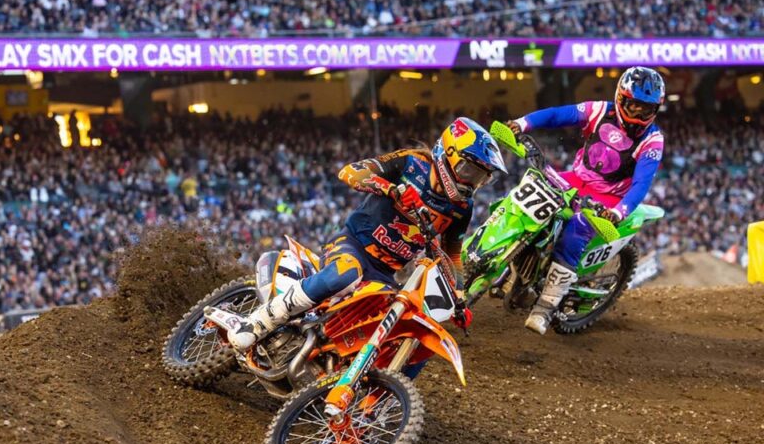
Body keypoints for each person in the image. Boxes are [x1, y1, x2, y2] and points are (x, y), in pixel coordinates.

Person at [225, 117, 507, 377]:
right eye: (470, 170)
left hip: (385, 274)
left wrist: (459, 297)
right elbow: (350, 172)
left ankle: (369, 397)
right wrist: (392, 189)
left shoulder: (462, 208)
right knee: (346, 274)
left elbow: (452, 254)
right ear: (448, 154)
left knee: (405, 327)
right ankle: (259, 322)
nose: (472, 182)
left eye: (480, 177)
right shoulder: (412, 163)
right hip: (353, 246)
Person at [506, 66, 665, 334]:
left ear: (656, 109)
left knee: (578, 227)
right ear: (621, 98)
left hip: (608, 197)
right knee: (531, 189)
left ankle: (545, 307)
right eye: (634, 106)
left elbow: (642, 183)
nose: (639, 114)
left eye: (646, 109)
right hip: (576, 179)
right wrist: (523, 123)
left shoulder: (653, 140)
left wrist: (619, 211)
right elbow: (558, 115)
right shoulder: (599, 110)